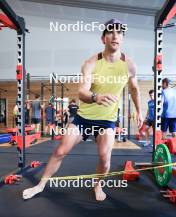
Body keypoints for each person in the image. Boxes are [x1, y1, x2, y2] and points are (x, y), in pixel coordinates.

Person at [23, 18, 143, 201]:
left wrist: (140, 112)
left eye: (119, 32)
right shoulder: (91, 63)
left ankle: (98, 185)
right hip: (83, 118)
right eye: (111, 32)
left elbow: (134, 89)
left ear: (122, 39)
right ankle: (40, 185)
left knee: (105, 158)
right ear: (103, 38)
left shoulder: (130, 65)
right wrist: (96, 97)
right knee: (60, 151)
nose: (115, 35)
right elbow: (81, 92)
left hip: (107, 121)